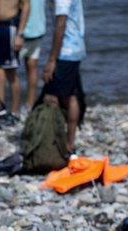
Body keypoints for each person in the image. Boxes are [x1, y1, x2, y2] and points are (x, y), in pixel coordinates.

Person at [41, 0, 86, 153]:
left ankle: (55, 142)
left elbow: (61, 26)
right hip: (75, 49)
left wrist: (52, 60)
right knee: (71, 95)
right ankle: (69, 143)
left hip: (66, 52)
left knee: (51, 96)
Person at [19, 0, 45, 112]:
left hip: (24, 31)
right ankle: (30, 104)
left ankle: (6, 105)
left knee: (7, 69)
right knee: (32, 67)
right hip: (38, 29)